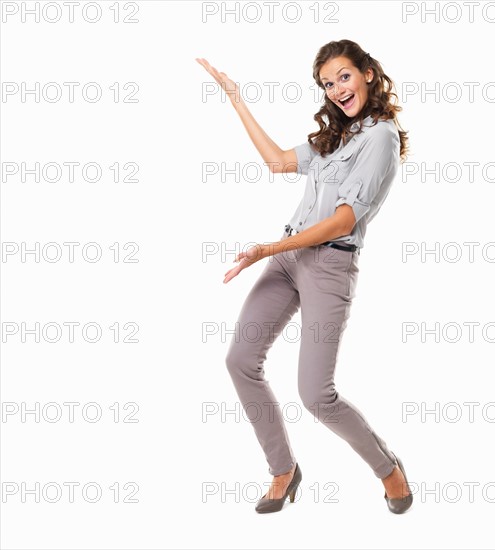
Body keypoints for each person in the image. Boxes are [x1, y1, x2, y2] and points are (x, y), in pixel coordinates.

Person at [196, 39, 412, 514]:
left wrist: (266, 249)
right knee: (240, 360)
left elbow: (340, 221)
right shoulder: (339, 136)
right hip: (290, 258)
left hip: (329, 265)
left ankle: (388, 469)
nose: (337, 89)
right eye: (328, 83)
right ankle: (283, 469)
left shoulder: (380, 138)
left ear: (367, 74)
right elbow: (276, 161)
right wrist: (235, 96)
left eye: (344, 76)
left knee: (316, 395)